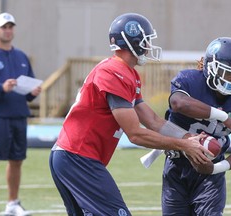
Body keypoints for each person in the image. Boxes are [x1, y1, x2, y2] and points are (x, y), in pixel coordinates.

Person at [49, 12, 213, 216]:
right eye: (146, 40)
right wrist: (183, 146)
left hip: (73, 157)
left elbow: (152, 120)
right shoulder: (113, 72)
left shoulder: (129, 73)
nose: (149, 46)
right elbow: (135, 133)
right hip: (77, 157)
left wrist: (189, 138)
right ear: (132, 41)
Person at [162, 37, 231, 215]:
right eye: (227, 73)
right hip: (177, 165)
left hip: (210, 171)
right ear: (211, 67)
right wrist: (222, 116)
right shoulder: (190, 81)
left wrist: (215, 168)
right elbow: (178, 103)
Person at [0, 12, 41, 216]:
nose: (8, 30)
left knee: (17, 160)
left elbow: (28, 87)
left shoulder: (21, 56)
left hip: (19, 115)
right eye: (4, 27)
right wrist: (1, 88)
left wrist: (32, 93)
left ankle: (12, 203)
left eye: (10, 26)